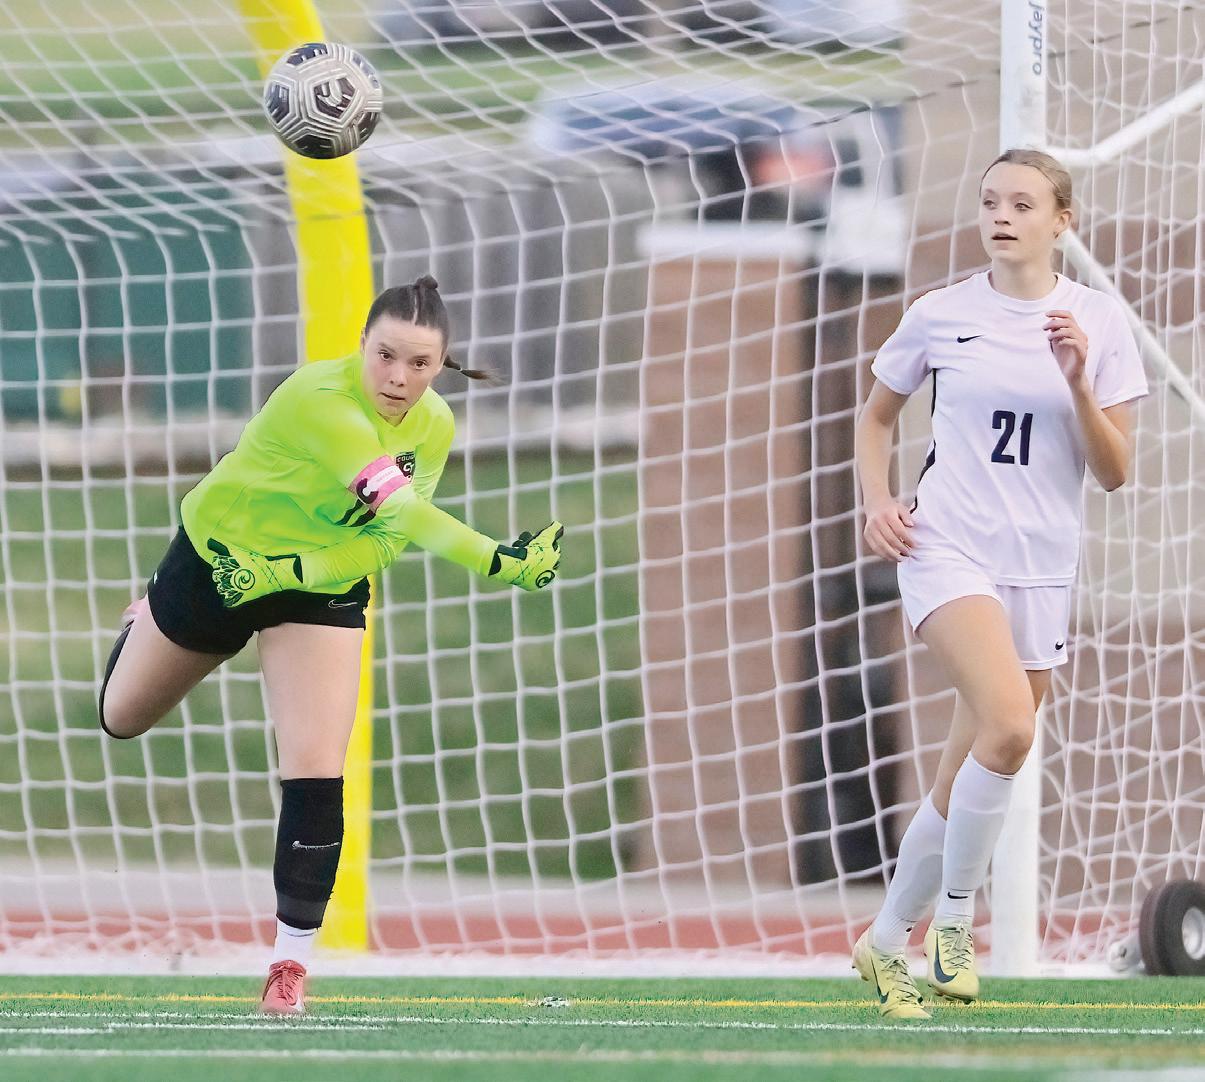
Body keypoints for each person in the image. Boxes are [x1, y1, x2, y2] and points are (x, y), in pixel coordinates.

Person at [97, 275, 563, 1015]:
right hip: (220, 565)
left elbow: (383, 544)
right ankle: (144, 618)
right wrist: (495, 560)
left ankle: (289, 965)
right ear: (362, 346)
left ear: (440, 365)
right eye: (386, 356)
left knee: (316, 769)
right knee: (121, 718)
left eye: (419, 363)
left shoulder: (433, 425)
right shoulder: (320, 401)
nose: (399, 377)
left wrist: (291, 574)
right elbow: (402, 512)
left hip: (318, 583)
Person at [851, 149, 1148, 1019]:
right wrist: (877, 503)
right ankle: (953, 920)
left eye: (1021, 204)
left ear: (1061, 221)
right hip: (947, 547)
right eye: (989, 202)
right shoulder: (941, 314)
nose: (1001, 217)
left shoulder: (1097, 321)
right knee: (1011, 726)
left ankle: (883, 941)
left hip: (1040, 566)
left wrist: (1077, 383)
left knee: (973, 766)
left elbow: (1114, 471)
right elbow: (875, 419)